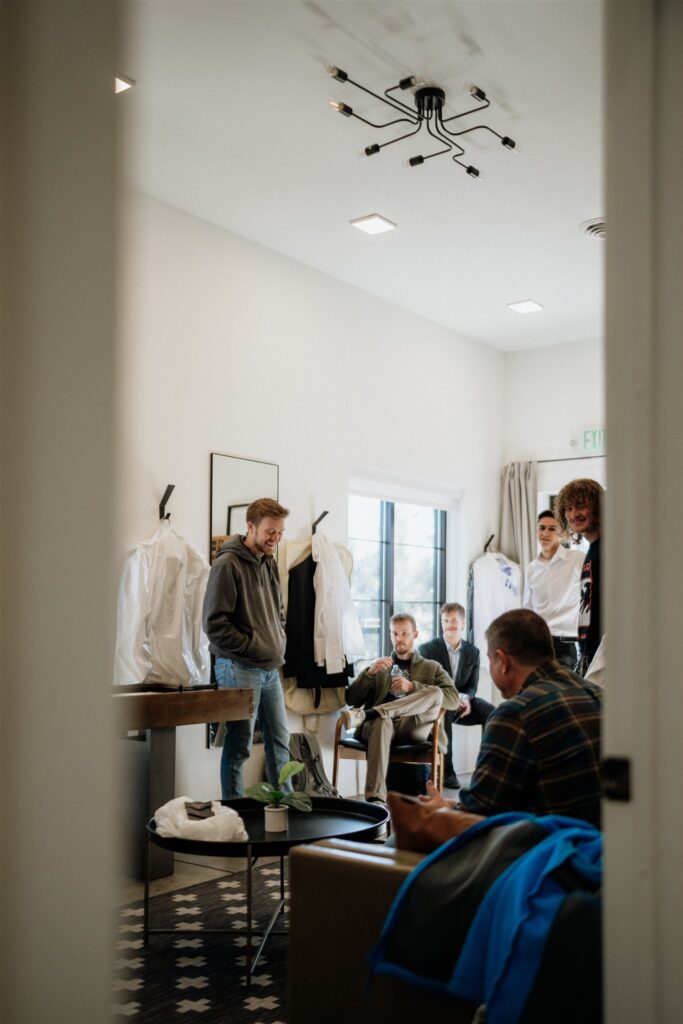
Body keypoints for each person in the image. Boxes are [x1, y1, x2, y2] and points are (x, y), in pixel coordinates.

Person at [388, 608, 602, 843]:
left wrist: (444, 811)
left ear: (503, 662)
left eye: (490, 660)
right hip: (602, 848)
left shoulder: (514, 715)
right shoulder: (598, 694)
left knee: (395, 841)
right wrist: (453, 805)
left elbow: (476, 820)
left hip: (549, 853)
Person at [202, 497, 291, 799]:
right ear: (250, 527)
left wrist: (277, 638)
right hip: (238, 668)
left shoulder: (269, 562)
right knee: (239, 747)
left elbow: (278, 611)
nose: (275, 538)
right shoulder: (227, 564)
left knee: (280, 743)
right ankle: (234, 814)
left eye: (280, 532)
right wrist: (253, 645)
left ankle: (285, 810)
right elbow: (214, 624)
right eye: (270, 532)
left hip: (270, 669)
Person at [342, 613, 459, 806]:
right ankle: (376, 799)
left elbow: (453, 699)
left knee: (436, 692)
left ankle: (370, 713)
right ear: (390, 634)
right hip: (380, 727)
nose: (399, 638)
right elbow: (351, 698)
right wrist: (370, 673)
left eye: (404, 633)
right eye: (395, 633)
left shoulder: (431, 667)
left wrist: (412, 687)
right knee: (382, 720)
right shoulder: (380, 666)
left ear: (415, 634)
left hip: (412, 727)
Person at [418, 602, 494, 789]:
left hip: (462, 704)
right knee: (446, 710)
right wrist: (452, 699)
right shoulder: (427, 650)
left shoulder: (473, 652)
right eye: (445, 621)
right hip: (438, 704)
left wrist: (465, 698)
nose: (449, 625)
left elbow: (472, 686)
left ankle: (487, 770)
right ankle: (446, 772)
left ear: (462, 623)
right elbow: (426, 685)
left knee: (491, 712)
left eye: (453, 620)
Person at [554, 479, 604, 674]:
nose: (573, 514)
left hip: (604, 657)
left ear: (598, 508)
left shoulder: (609, 549)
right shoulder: (591, 551)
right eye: (568, 508)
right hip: (589, 655)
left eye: (581, 506)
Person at [523, 509, 585, 669]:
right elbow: (528, 610)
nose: (545, 533)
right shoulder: (531, 569)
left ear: (561, 533)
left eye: (552, 529)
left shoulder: (577, 560)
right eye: (541, 528)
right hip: (538, 645)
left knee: (557, 684)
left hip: (565, 646)